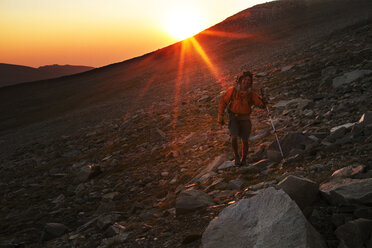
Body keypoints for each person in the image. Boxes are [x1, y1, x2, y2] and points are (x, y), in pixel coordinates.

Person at [218, 71, 265, 166]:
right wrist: (220, 115)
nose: (246, 82)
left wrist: (263, 103)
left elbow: (259, 103)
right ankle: (237, 157)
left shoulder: (251, 93)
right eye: (245, 79)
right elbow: (223, 101)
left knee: (245, 140)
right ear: (240, 80)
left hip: (245, 118)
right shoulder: (232, 91)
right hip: (233, 117)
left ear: (250, 82)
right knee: (234, 137)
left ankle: (244, 159)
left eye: (248, 80)